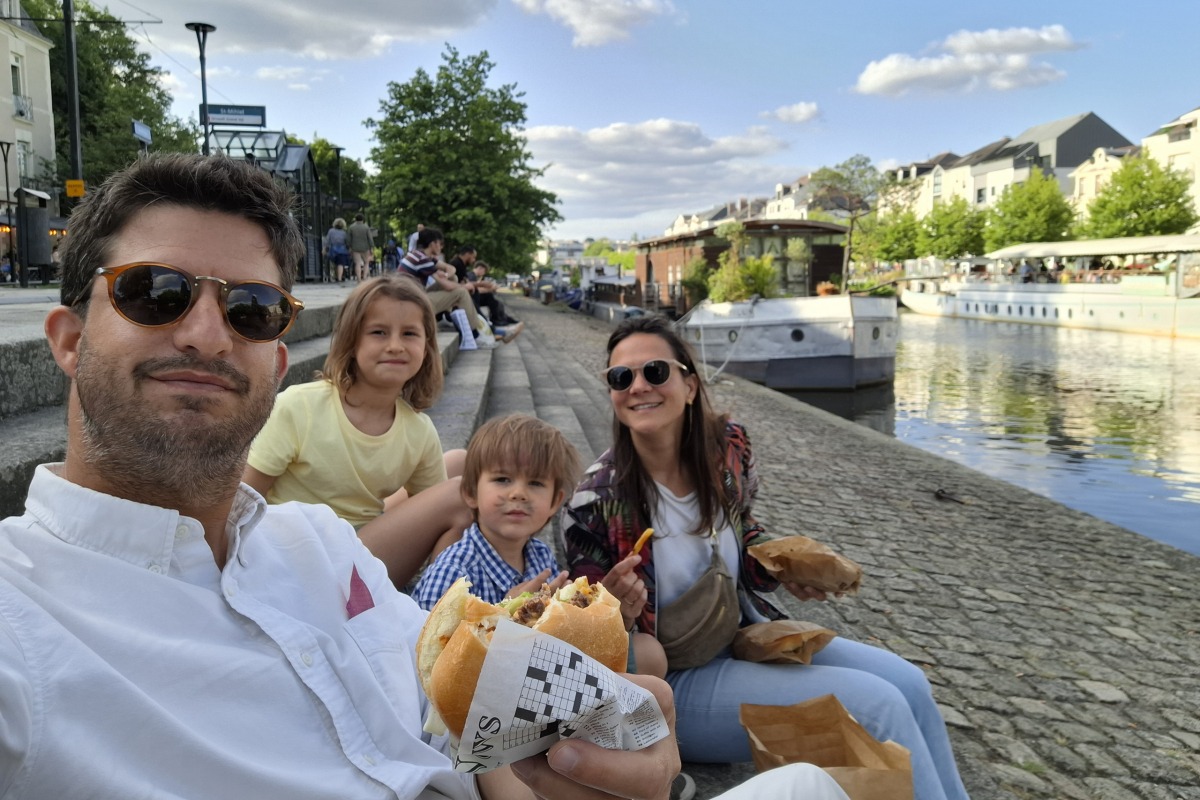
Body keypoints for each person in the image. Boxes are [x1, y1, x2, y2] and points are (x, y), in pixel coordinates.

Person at [0, 151, 851, 800]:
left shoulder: (319, 548)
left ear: (275, 350)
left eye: (250, 309)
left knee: (808, 781)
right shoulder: (24, 622)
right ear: (70, 340)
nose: (206, 335)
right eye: (157, 292)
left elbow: (452, 719)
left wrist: (583, 748)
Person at [563, 315, 971, 800]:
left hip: (742, 635)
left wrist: (782, 567)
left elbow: (740, 530)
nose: (637, 387)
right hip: (673, 684)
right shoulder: (594, 503)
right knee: (874, 706)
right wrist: (613, 607)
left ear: (689, 384)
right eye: (620, 377)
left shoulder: (727, 451)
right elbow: (583, 642)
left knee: (909, 682)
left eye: (654, 371)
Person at [243, 276, 473, 587]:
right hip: (298, 557)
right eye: (379, 332)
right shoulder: (299, 407)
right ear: (351, 342)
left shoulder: (419, 430)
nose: (395, 345)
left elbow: (427, 513)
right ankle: (439, 605)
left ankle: (439, 590)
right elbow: (244, 498)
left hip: (364, 544)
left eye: (409, 334)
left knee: (461, 462)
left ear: (427, 347)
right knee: (460, 494)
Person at [413, 414, 667, 679]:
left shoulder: (541, 555)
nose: (518, 493)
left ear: (555, 502)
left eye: (535, 483)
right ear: (470, 493)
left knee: (648, 651)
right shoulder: (453, 571)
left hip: (534, 676)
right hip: (486, 696)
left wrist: (612, 612)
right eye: (502, 479)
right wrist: (503, 615)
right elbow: (429, 662)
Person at [399, 227, 488, 349]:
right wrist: (465, 286)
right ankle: (476, 335)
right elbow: (447, 285)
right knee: (461, 292)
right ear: (432, 244)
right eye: (440, 244)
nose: (441, 248)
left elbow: (451, 269)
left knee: (453, 279)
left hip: (413, 297)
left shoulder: (420, 256)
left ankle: (442, 316)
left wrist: (446, 275)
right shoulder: (422, 259)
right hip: (411, 304)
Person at [470, 261, 523, 332]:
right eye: (484, 271)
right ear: (480, 268)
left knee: (494, 300)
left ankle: (502, 318)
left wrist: (489, 288)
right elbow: (475, 290)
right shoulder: (471, 276)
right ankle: (498, 319)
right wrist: (490, 289)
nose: (484, 273)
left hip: (473, 299)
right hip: (472, 300)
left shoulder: (473, 276)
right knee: (490, 297)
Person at [348, 213, 375, 282]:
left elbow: (349, 239)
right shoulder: (366, 227)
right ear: (363, 219)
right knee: (366, 262)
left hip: (355, 248)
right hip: (365, 248)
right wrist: (371, 248)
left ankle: (359, 278)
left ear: (355, 219)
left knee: (357, 263)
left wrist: (350, 247)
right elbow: (370, 238)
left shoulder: (351, 227)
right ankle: (365, 277)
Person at [323, 217, 351, 281]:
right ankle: (339, 278)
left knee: (334, 263)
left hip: (333, 250)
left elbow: (327, 241)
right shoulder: (343, 233)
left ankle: (335, 275)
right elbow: (346, 242)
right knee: (340, 264)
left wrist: (324, 249)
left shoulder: (331, 231)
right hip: (342, 250)